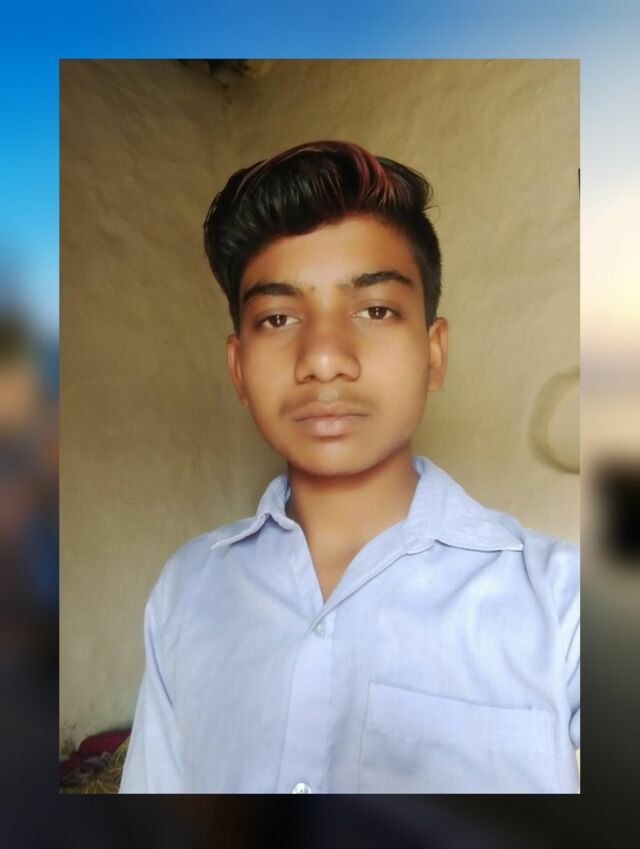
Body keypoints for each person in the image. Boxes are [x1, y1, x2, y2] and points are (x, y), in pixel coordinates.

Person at [120, 141, 579, 794]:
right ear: (238, 369)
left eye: (375, 309)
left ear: (433, 353)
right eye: (278, 317)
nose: (324, 358)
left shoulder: (563, 603)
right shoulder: (188, 589)